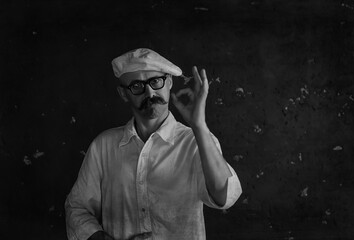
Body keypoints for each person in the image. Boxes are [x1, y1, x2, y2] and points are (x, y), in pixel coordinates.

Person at [65, 48, 242, 240]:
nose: (150, 92)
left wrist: (199, 126)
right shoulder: (103, 147)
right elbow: (77, 208)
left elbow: (225, 197)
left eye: (156, 81)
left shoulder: (197, 141)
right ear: (123, 94)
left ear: (169, 83)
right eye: (137, 86)